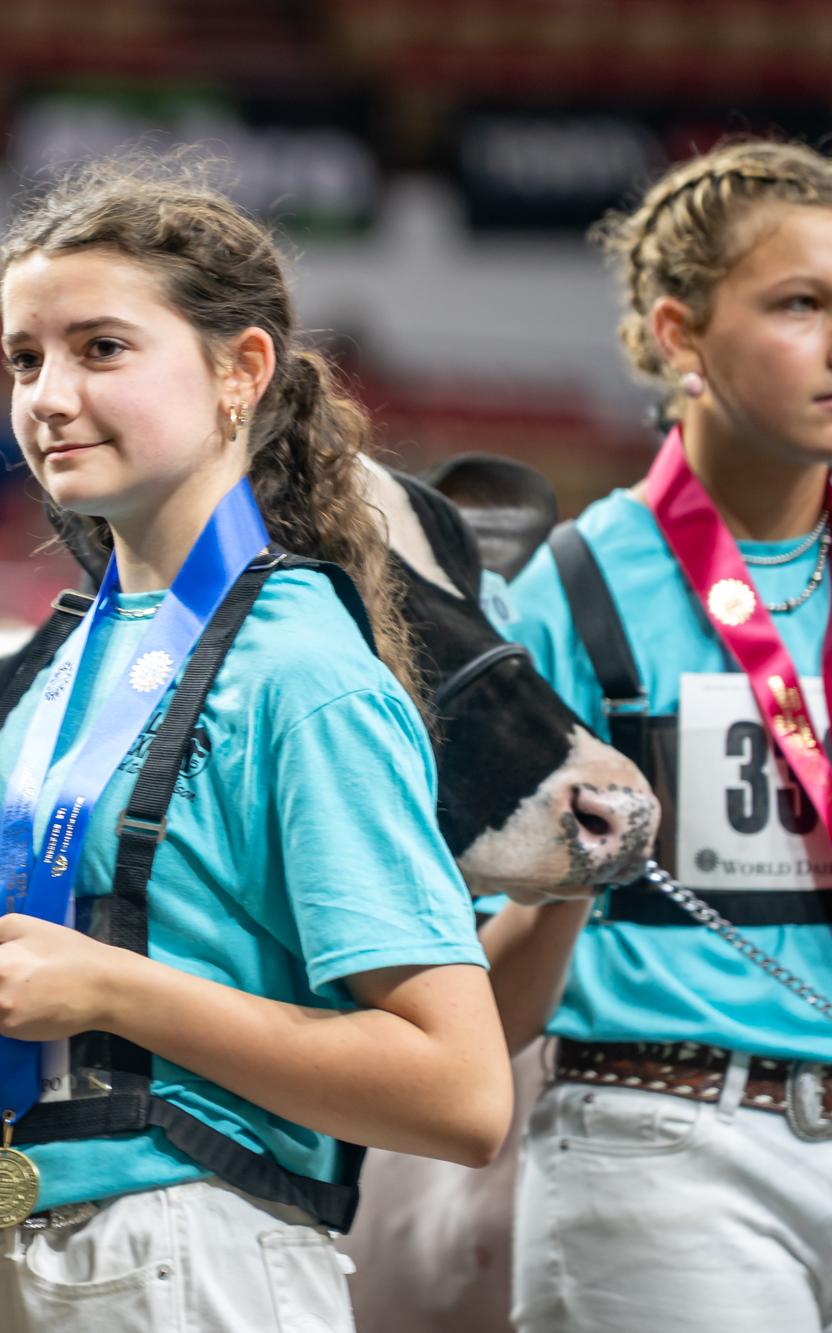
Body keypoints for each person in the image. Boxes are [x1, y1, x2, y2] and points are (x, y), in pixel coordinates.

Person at [0, 158, 510, 1332]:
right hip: (0, 1258)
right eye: (23, 358)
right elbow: (46, 1038)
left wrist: (111, 985)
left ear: (240, 370)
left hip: (191, 1256)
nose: (47, 396)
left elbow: (458, 1091)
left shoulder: (300, 671)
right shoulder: (65, 666)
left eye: (100, 349)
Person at [483, 139, 832, 1333]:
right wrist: (565, 876)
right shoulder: (558, 595)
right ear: (679, 335)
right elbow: (475, 999)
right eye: (799, 304)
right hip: (664, 1142)